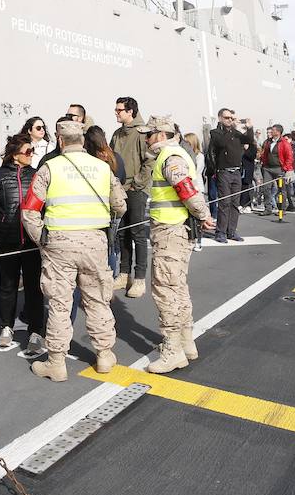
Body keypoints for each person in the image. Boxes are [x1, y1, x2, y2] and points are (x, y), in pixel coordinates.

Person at [21, 118, 127, 383]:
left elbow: (29, 210)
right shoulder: (102, 168)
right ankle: (104, 354)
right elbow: (120, 205)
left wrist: (41, 240)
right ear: (82, 140)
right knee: (97, 299)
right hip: (94, 241)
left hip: (59, 244)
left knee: (59, 303)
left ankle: (56, 362)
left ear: (59, 140)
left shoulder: (49, 168)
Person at [140, 116, 216, 373]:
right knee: (178, 288)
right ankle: (186, 342)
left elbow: (185, 188)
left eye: (148, 134)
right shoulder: (176, 154)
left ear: (161, 134)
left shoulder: (170, 158)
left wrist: (204, 215)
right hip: (176, 230)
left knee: (165, 291)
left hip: (169, 232)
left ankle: (172, 351)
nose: (146, 139)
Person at [0, 133, 44, 353]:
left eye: (32, 151)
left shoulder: (36, 175)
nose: (31, 155)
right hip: (6, 241)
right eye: (28, 151)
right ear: (15, 154)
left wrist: (44, 239)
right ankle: (6, 327)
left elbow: (45, 207)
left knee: (34, 288)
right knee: (7, 287)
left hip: (31, 242)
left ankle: (37, 331)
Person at [109, 96, 151, 297]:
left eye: (119, 110)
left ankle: (140, 278)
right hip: (119, 189)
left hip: (135, 190)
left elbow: (149, 161)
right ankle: (124, 275)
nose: (116, 112)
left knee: (138, 233)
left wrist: (137, 184)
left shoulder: (142, 133)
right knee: (122, 233)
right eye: (116, 109)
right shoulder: (117, 134)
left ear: (130, 112)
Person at [205, 107, 253, 243]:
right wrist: (232, 128)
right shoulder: (215, 132)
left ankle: (232, 231)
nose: (230, 120)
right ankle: (220, 232)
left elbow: (248, 140)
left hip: (236, 171)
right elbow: (222, 143)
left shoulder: (236, 133)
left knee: (234, 203)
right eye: (227, 118)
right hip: (223, 171)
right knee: (224, 202)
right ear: (220, 118)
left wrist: (249, 128)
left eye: (231, 118)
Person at [84, 125, 126, 280]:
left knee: (98, 246)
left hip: (97, 209)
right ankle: (110, 279)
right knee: (112, 244)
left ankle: (98, 279)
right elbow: (122, 178)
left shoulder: (92, 160)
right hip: (115, 205)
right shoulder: (115, 157)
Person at [258, 124, 295, 217]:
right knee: (266, 188)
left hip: (279, 168)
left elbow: (289, 157)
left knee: (281, 189)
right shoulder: (268, 142)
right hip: (268, 168)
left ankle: (282, 209)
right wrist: (262, 160)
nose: (271, 132)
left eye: (273, 130)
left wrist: (285, 169)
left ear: (278, 132)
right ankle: (268, 208)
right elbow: (265, 153)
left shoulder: (284, 143)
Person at [239, 118, 257, 213]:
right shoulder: (240, 145)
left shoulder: (252, 145)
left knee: (246, 187)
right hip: (240, 169)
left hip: (248, 169)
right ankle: (240, 204)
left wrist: (246, 150)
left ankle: (247, 204)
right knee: (240, 187)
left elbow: (252, 156)